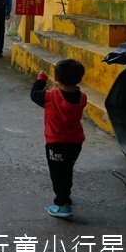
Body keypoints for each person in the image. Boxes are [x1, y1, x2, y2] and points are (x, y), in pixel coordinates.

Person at [31, 60, 87, 218]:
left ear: (56, 78)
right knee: (66, 169)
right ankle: (65, 194)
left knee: (57, 173)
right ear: (79, 79)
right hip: (75, 142)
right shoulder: (82, 97)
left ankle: (62, 204)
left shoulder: (50, 96)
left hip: (56, 143)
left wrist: (40, 80)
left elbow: (34, 94)